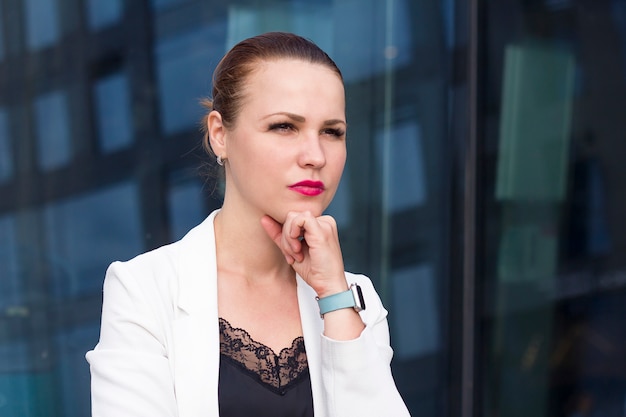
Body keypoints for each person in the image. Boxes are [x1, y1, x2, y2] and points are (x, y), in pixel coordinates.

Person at [86, 31, 410, 417]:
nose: (315, 155)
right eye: (284, 126)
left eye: (331, 132)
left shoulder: (355, 299)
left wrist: (334, 296)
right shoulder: (145, 290)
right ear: (220, 135)